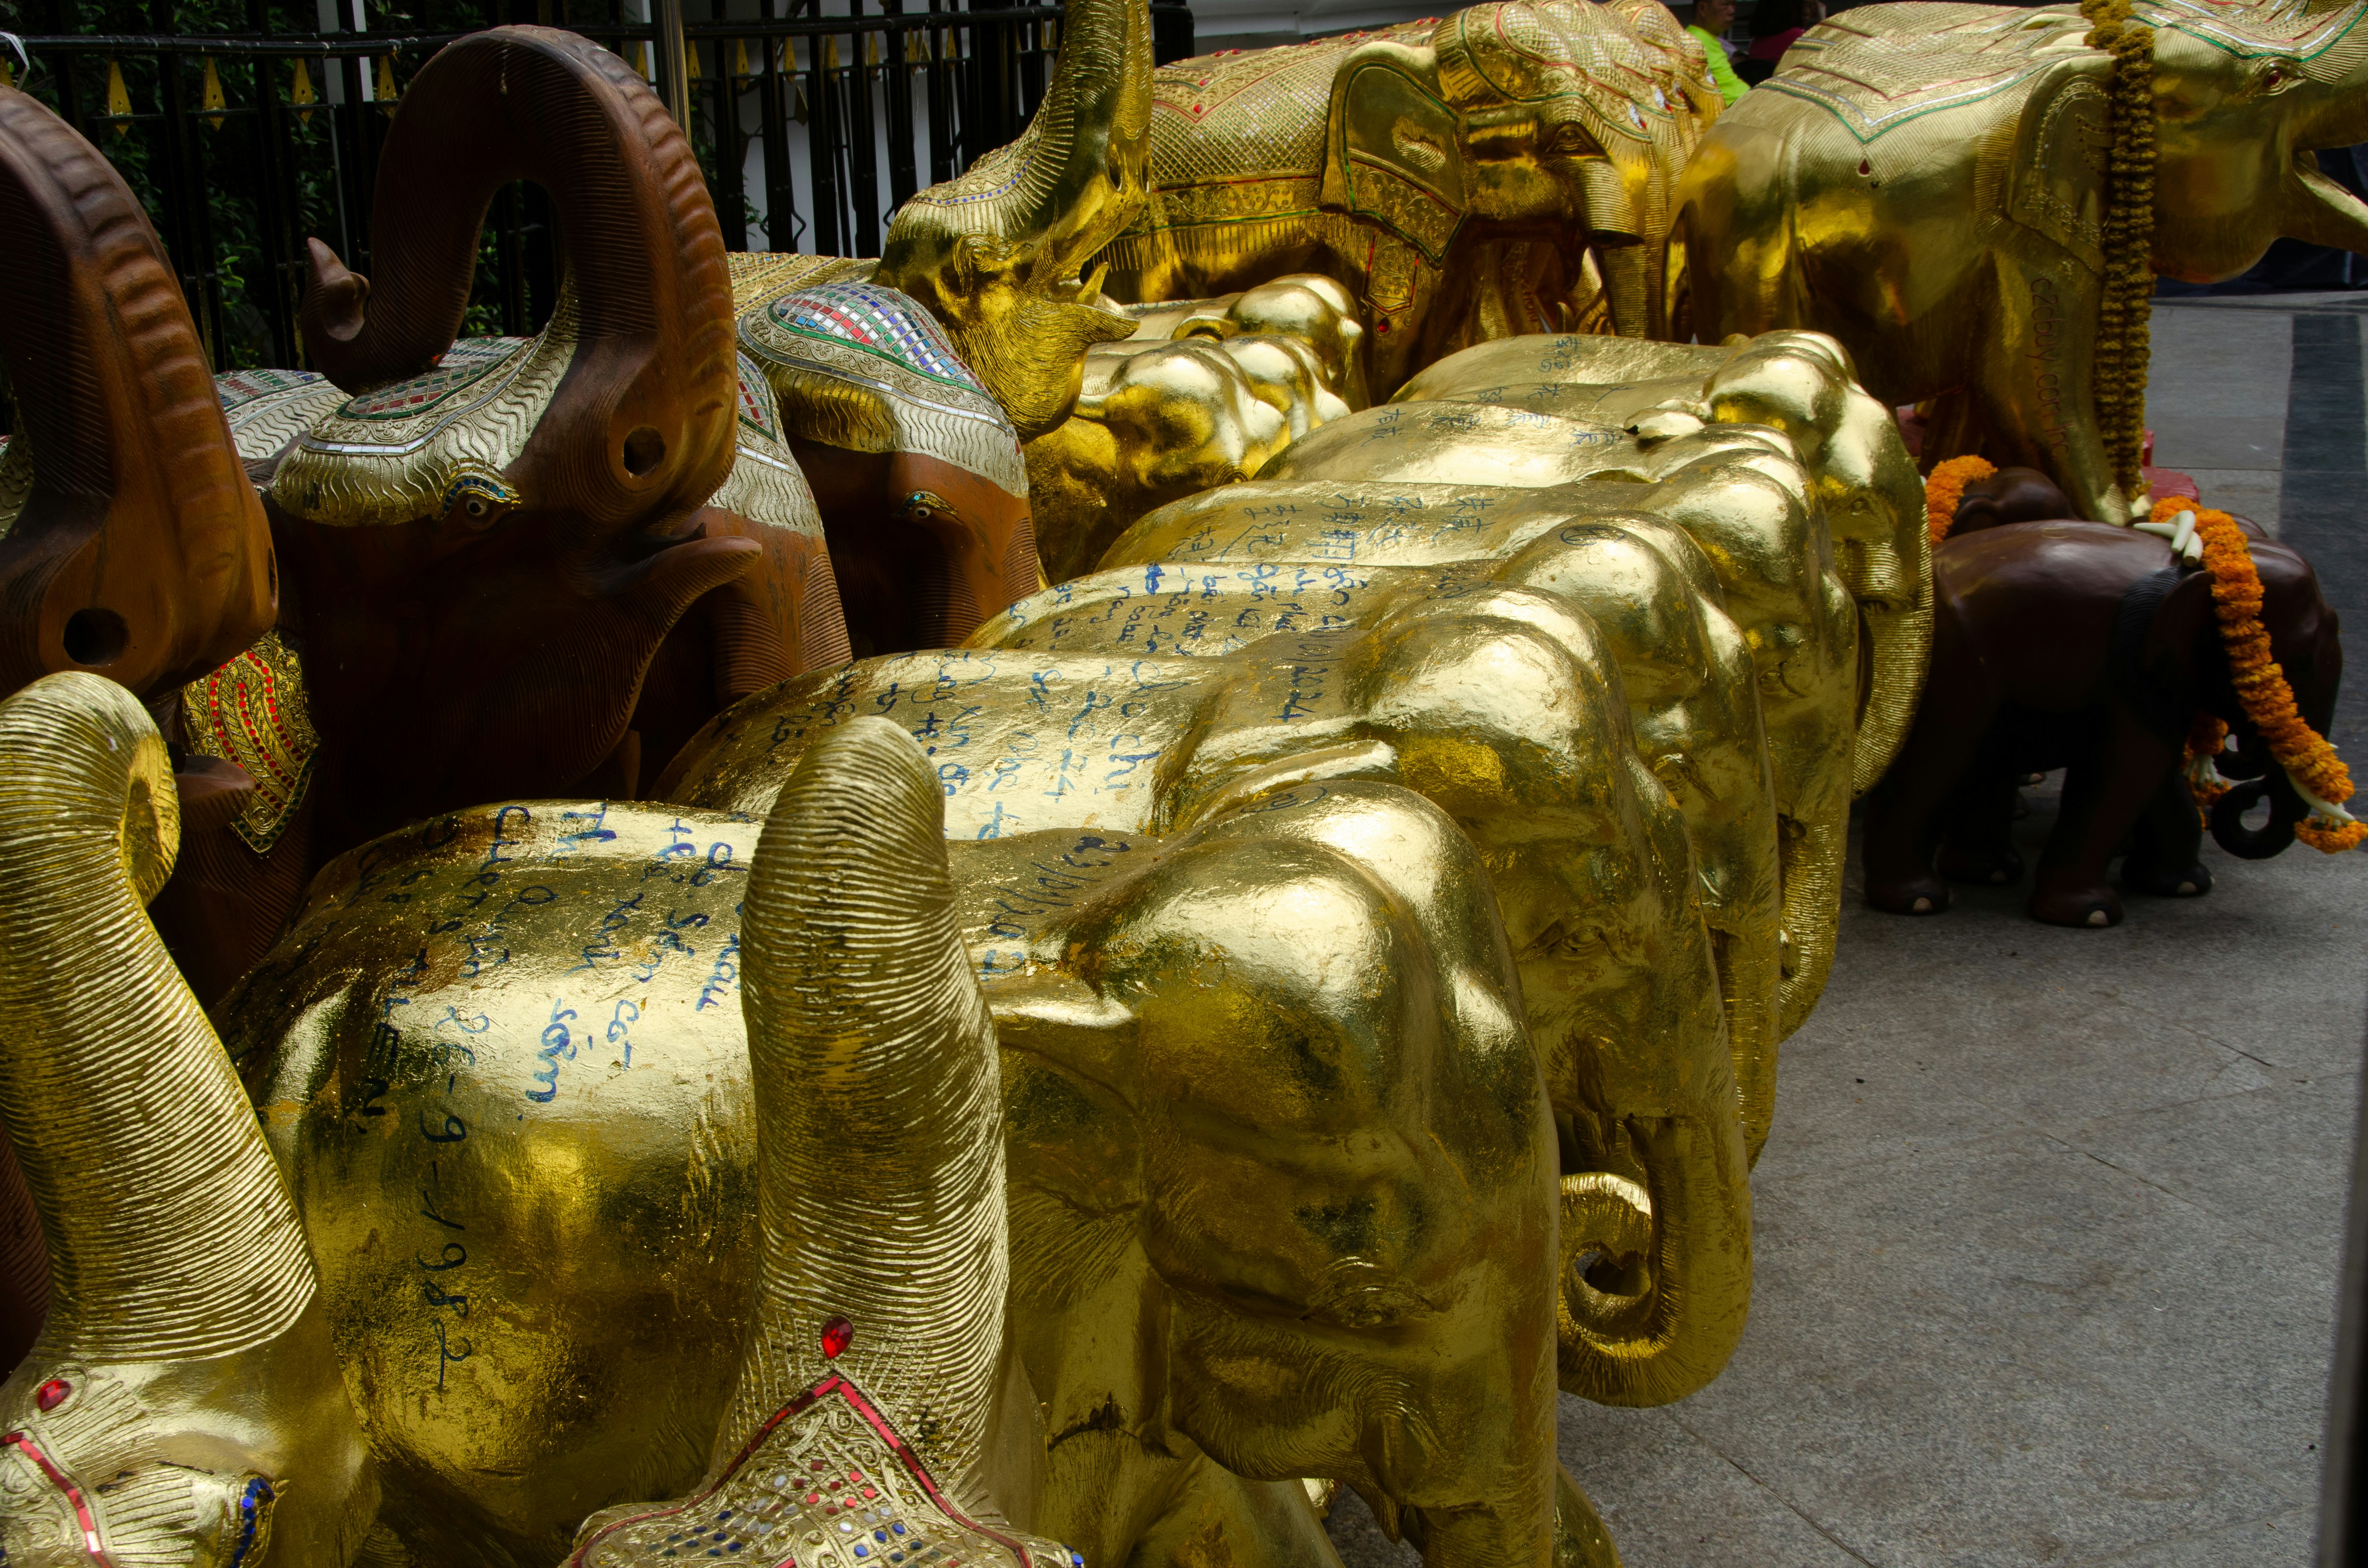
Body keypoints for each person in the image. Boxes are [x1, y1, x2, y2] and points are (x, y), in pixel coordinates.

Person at [1690, 0, 1749, 106]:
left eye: (1734, 5)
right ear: (1703, 9)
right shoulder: (1694, 41)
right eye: (1725, 5)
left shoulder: (1707, 39)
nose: (1732, 11)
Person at [1744, 0, 1825, 74]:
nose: (1808, 13)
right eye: (1804, 6)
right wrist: (1823, 21)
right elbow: (1827, 58)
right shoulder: (1797, 37)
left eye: (1811, 7)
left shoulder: (1755, 43)